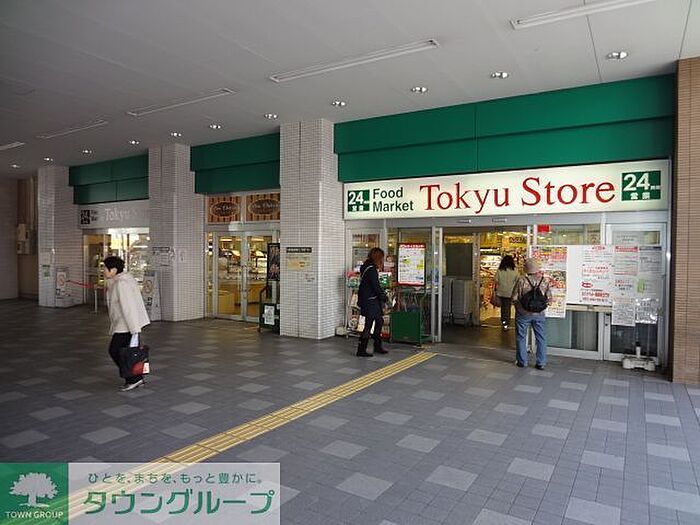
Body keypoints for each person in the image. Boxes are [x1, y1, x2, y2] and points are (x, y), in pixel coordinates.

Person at [103, 256, 150, 391]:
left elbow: (128, 307)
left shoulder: (122, 284)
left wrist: (134, 329)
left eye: (105, 268)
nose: (103, 271)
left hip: (125, 325)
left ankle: (134, 378)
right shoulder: (122, 280)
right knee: (126, 352)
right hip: (125, 324)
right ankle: (136, 377)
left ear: (113, 270)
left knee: (116, 351)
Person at [512, 258, 552, 369]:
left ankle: (522, 361)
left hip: (523, 314)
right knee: (541, 337)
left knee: (521, 337)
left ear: (526, 269)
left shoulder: (521, 280)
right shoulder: (544, 281)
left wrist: (519, 308)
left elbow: (514, 298)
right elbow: (549, 299)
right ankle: (541, 363)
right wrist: (540, 307)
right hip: (539, 314)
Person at [356, 247, 389, 357]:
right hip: (371, 301)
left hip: (368, 300)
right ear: (378, 258)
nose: (382, 260)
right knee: (369, 324)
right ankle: (361, 349)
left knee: (379, 321)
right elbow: (376, 286)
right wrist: (384, 297)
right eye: (381, 258)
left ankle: (377, 345)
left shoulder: (366, 266)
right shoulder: (371, 269)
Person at [494, 255, 518, 330]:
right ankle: (506, 324)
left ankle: (504, 322)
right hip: (510, 292)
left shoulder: (500, 270)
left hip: (501, 292)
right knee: (507, 308)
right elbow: (518, 280)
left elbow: (496, 280)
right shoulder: (515, 270)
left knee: (503, 308)